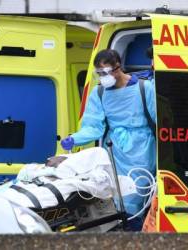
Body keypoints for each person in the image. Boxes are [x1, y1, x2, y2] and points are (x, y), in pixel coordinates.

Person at [61, 49, 156, 230]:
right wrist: (74, 139)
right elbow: (93, 126)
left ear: (117, 68)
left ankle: (135, 230)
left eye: (104, 72)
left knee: (137, 195)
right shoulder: (99, 93)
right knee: (117, 197)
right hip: (114, 152)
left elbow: (161, 121)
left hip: (142, 151)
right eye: (98, 73)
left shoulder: (145, 88)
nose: (102, 77)